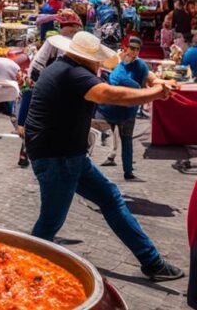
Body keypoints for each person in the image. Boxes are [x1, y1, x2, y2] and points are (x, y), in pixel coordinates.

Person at [25, 31, 183, 282]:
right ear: (88, 59)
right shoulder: (76, 75)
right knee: (49, 223)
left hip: (66, 155)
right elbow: (111, 94)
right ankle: (22, 270)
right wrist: (154, 94)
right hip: (59, 157)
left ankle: (151, 261)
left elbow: (118, 80)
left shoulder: (61, 67)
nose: (99, 64)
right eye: (97, 59)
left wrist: (152, 84)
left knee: (110, 198)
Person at [98, 37, 171, 180]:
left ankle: (128, 171)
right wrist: (137, 87)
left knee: (127, 140)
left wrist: (152, 87)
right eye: (132, 48)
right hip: (110, 107)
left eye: (137, 49)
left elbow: (147, 80)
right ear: (126, 48)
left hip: (128, 108)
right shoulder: (117, 62)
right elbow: (116, 79)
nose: (134, 51)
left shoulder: (141, 66)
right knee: (104, 136)